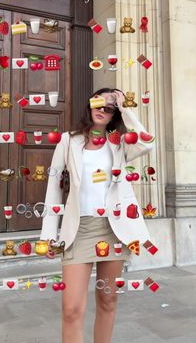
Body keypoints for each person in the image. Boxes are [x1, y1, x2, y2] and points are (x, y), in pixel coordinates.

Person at [40, 87, 154, 343]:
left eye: (110, 107)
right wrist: (49, 234)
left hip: (114, 229)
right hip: (78, 229)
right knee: (71, 309)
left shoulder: (121, 143)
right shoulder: (69, 141)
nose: (103, 110)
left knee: (108, 299)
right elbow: (53, 186)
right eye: (99, 103)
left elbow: (147, 141)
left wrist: (125, 108)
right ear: (90, 106)